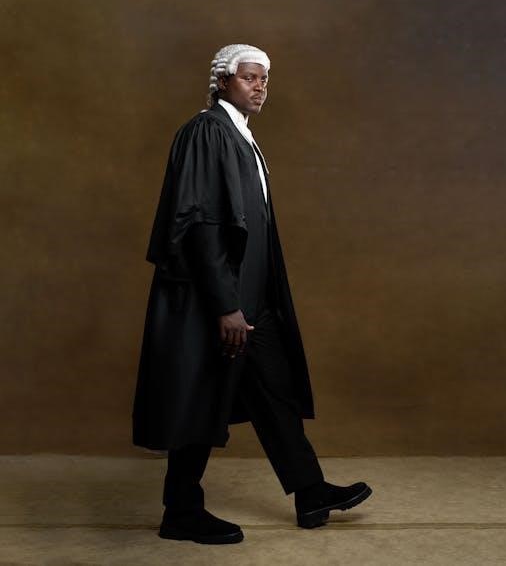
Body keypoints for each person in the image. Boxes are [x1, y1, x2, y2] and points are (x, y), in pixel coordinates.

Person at [132, 44, 372, 545]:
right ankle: (180, 512)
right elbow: (199, 222)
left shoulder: (241, 135)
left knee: (274, 390)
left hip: (254, 299)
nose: (260, 86)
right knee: (200, 397)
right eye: (249, 77)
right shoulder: (207, 132)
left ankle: (310, 491)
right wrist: (225, 304)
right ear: (222, 81)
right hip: (219, 301)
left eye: (264, 78)